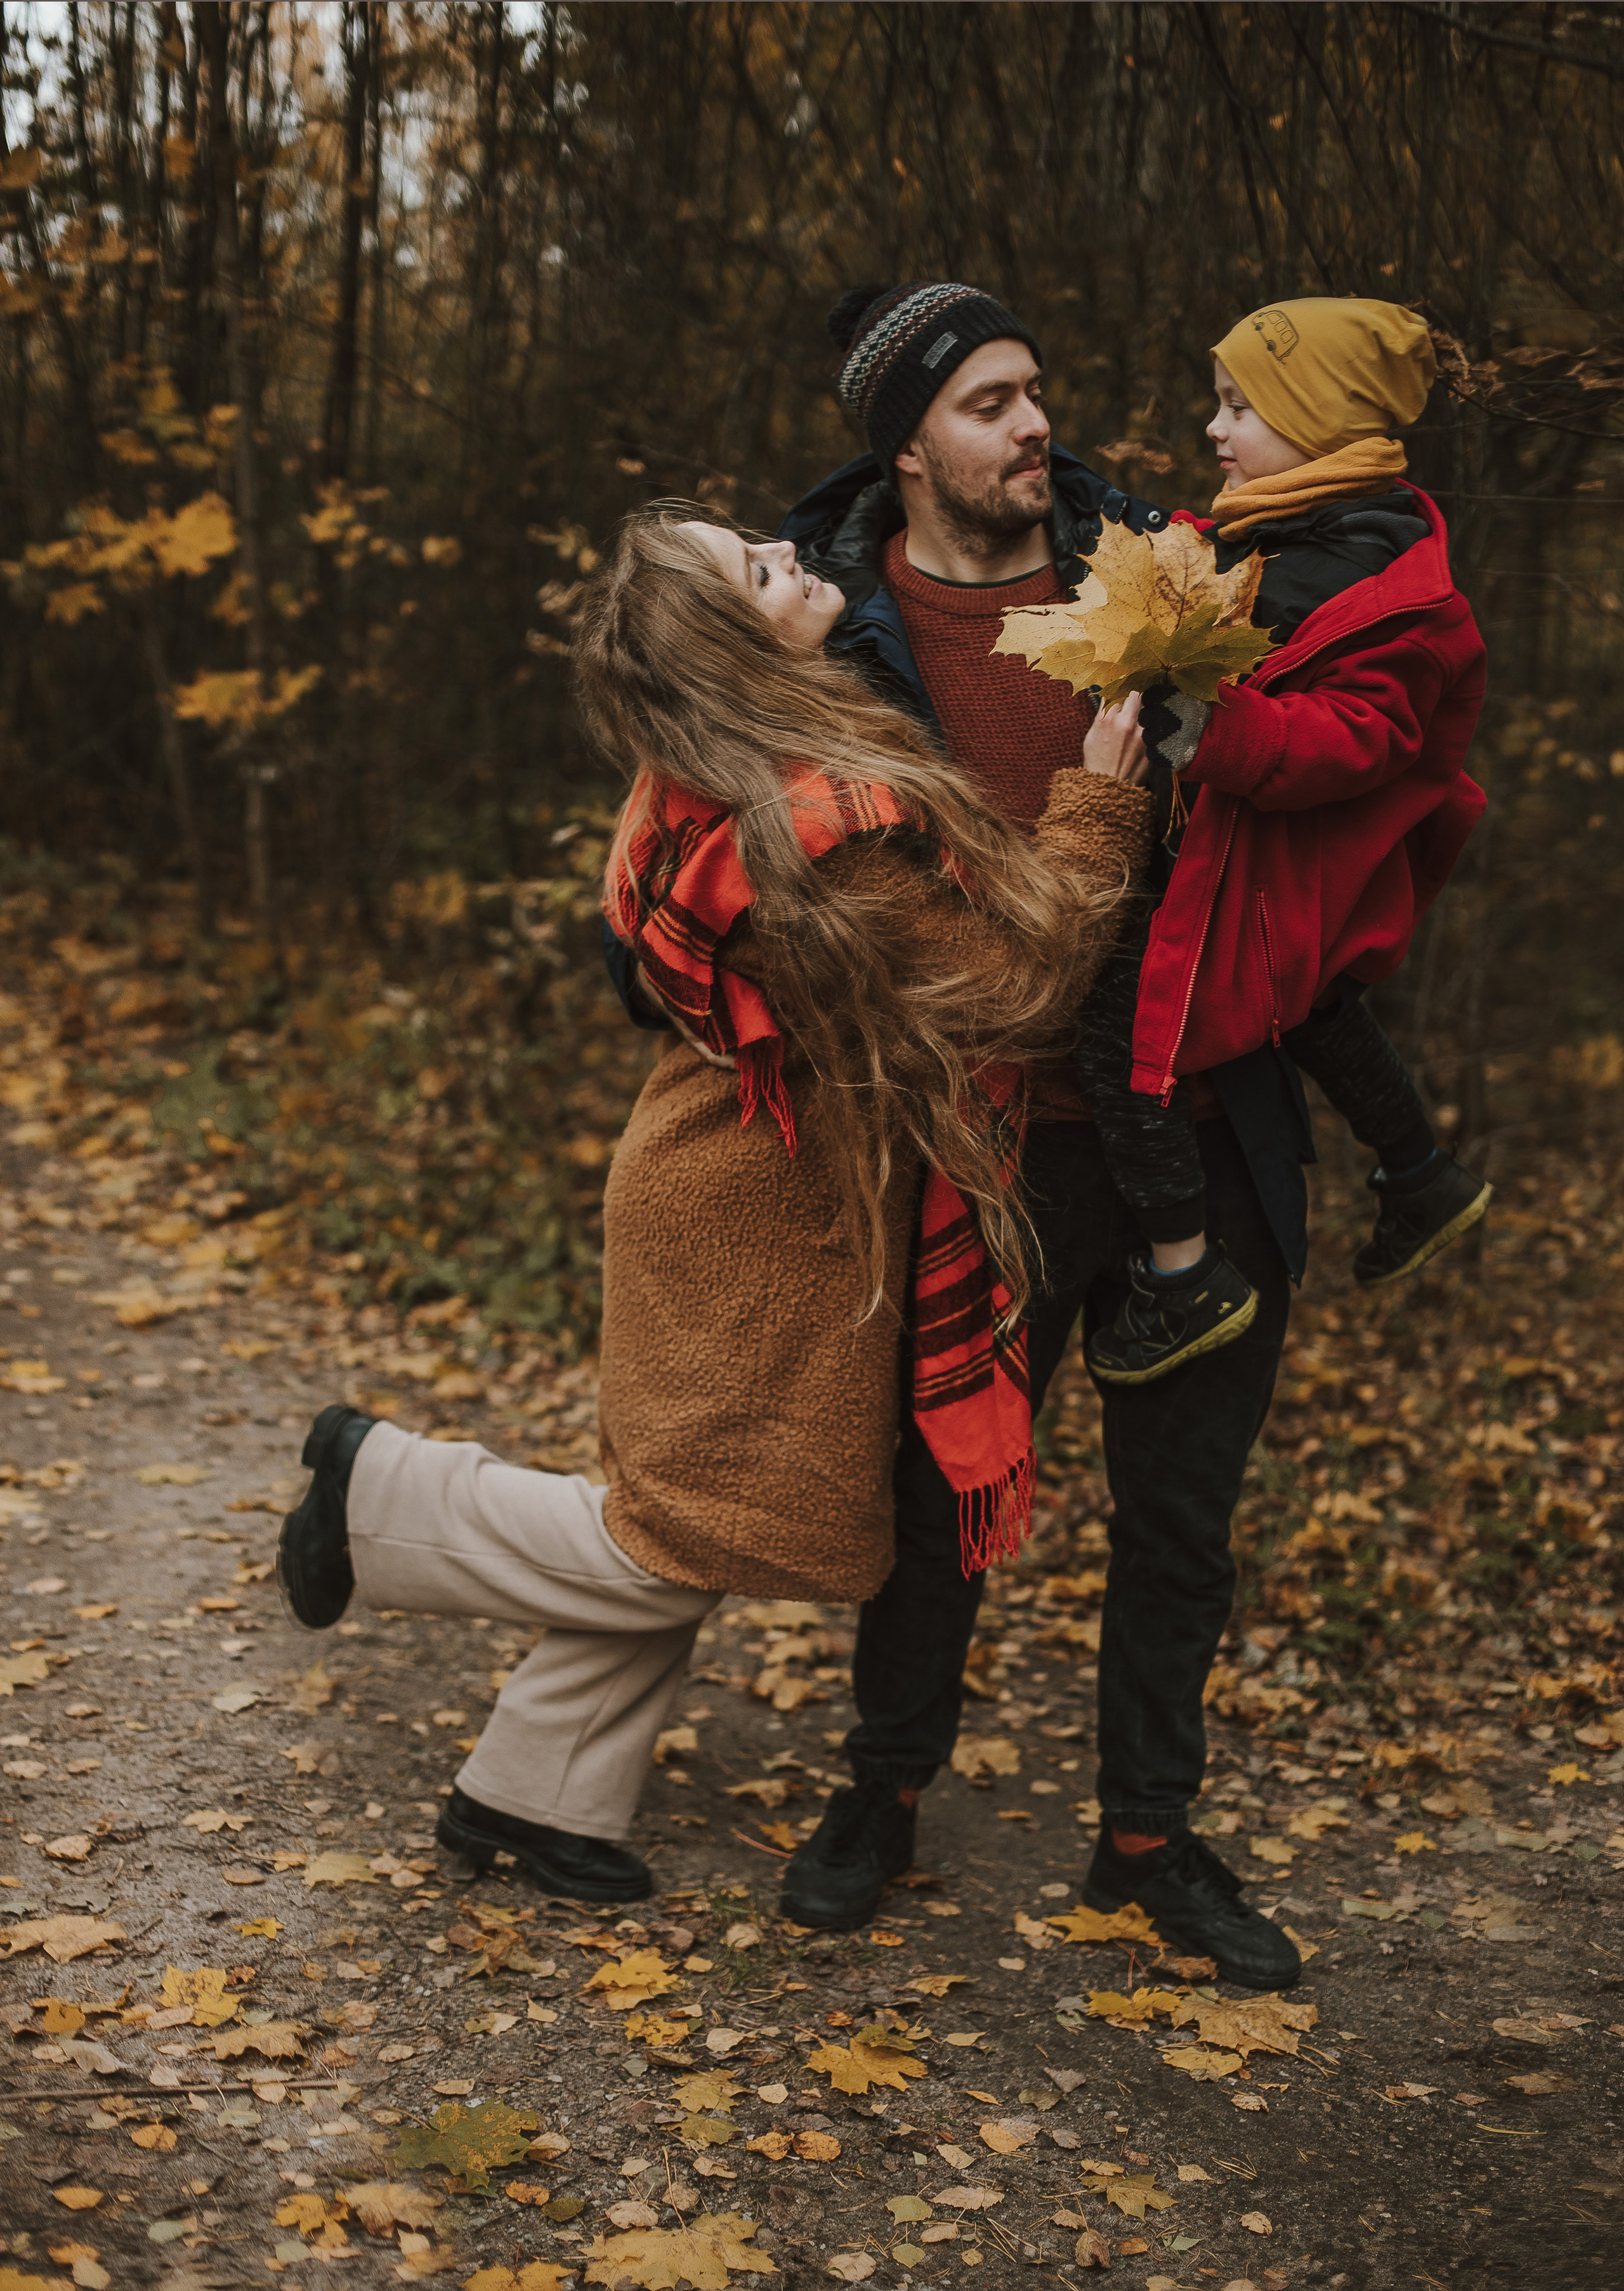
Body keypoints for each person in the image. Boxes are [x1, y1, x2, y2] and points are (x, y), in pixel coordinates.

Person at [277, 500, 1154, 1907]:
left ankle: (532, 1793)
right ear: (728, 642)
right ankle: (381, 1489)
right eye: (759, 567)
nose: (792, 556)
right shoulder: (806, 827)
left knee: (681, 1518)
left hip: (737, 1172)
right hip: (753, 1210)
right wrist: (1099, 808)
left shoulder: (704, 761)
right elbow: (1014, 990)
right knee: (690, 1534)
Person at [712, 279, 1314, 1990]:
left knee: (1181, 1517)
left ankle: (1149, 1842)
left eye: (1034, 389)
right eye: (987, 402)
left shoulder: (1170, 573)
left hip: (1204, 1119)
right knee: (937, 1491)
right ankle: (883, 1793)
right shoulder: (824, 635)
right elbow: (722, 834)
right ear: (905, 446)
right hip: (979, 1144)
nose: (1035, 423)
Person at [1070, 298, 1491, 1386]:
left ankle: (1184, 1273)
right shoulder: (1270, 530)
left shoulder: (1388, 589)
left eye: (1241, 407)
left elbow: (1356, 738)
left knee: (1122, 1029)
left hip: (1266, 864)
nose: (1215, 429)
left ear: (1322, 422)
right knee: (1314, 1003)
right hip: (1253, 863)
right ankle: (1420, 1173)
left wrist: (1206, 726)